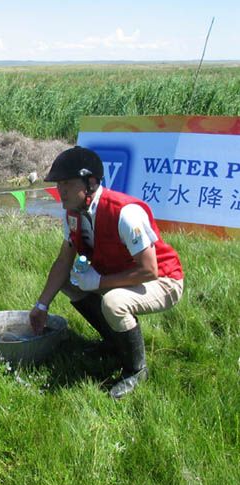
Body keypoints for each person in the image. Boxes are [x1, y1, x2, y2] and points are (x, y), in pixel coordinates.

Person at [29, 146, 184, 399]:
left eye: (67, 183)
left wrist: (100, 281)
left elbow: (149, 270)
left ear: (90, 183)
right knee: (67, 282)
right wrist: (42, 305)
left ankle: (135, 368)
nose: (61, 191)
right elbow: (62, 262)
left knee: (114, 303)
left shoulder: (125, 213)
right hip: (125, 274)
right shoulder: (73, 214)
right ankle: (114, 341)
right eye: (59, 184)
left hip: (165, 280)